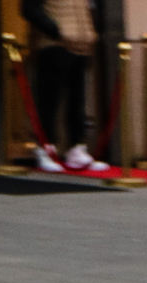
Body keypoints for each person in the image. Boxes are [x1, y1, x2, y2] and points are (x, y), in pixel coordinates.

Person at [20, 0, 101, 173]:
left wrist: (89, 34)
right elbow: (29, 9)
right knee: (49, 101)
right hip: (53, 46)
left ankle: (76, 148)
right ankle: (45, 149)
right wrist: (56, 30)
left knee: (77, 101)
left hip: (80, 46)